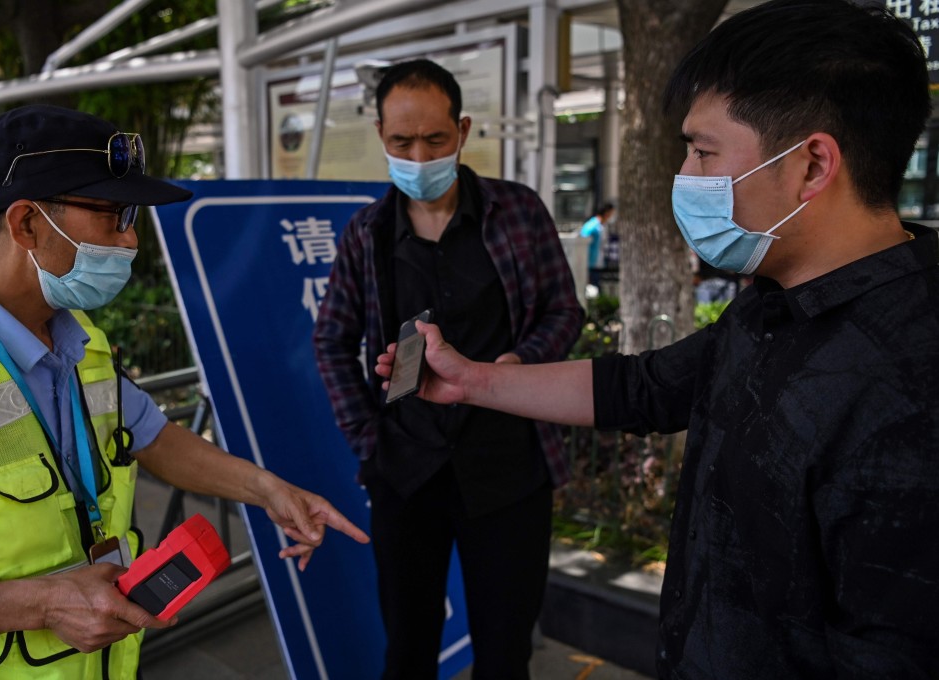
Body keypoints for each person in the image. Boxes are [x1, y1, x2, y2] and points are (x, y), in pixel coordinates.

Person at [374, 1, 939, 677]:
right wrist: (470, 379)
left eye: (703, 151)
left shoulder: (911, 379)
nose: (687, 178)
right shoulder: (771, 305)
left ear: (812, 165)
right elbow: (642, 388)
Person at [0, 104, 369, 679]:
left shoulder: (79, 336)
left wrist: (268, 491)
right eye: (114, 214)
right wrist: (47, 602)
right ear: (26, 223)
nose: (131, 239)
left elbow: (152, 437)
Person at [313, 59, 583, 679]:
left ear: (461, 131)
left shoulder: (516, 212)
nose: (419, 154)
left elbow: (562, 310)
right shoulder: (367, 235)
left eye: (435, 139)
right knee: (407, 648)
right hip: (405, 470)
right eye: (402, 141)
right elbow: (331, 339)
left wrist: (517, 367)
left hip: (509, 464)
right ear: (381, 135)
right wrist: (368, 440)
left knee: (505, 649)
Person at [580, 201, 615, 287]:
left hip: (598, 262)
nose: (612, 216)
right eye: (611, 213)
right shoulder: (592, 226)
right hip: (590, 263)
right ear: (606, 212)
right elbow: (582, 240)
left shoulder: (603, 225)